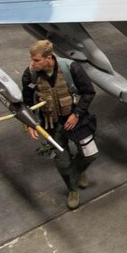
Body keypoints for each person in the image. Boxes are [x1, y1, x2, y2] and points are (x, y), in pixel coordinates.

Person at [23, 40, 97, 209]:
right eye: (32, 59)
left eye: (36, 60)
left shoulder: (71, 68)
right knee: (63, 163)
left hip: (76, 120)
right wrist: (29, 123)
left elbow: (88, 92)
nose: (32, 64)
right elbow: (26, 103)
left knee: (90, 154)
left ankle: (78, 170)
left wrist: (77, 114)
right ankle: (72, 189)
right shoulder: (30, 75)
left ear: (49, 58)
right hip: (51, 124)